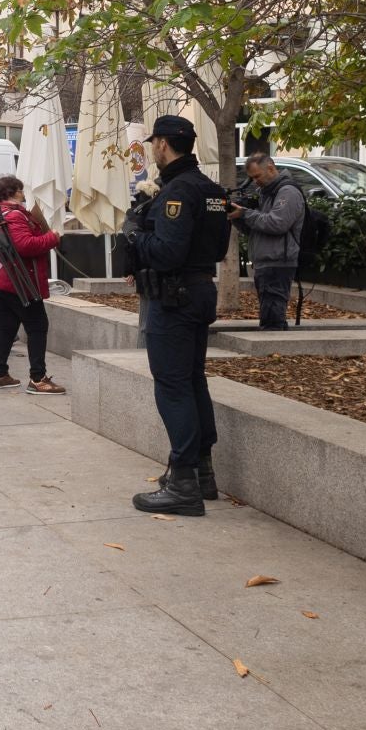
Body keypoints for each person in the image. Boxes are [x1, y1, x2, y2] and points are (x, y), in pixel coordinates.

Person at [126, 115, 232, 516]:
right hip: (200, 289)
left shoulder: (177, 192)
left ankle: (184, 481)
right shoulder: (211, 190)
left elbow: (167, 252)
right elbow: (219, 249)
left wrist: (137, 237)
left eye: (155, 142)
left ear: (164, 144)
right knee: (191, 380)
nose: (153, 148)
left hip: (175, 296)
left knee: (173, 386)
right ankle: (203, 474)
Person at [0, 177, 67, 395]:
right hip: (21, 282)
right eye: (21, 189)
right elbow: (24, 246)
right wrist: (52, 237)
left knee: (6, 327)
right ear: (14, 192)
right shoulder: (15, 215)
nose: (23, 193)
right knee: (37, 326)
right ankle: (38, 378)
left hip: (3, 280)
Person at [231, 153, 305, 330]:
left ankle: (276, 352)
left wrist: (246, 214)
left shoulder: (288, 191)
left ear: (270, 168)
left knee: (273, 321)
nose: (255, 182)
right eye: (251, 178)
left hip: (278, 263)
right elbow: (256, 229)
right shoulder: (267, 193)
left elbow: (277, 223)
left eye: (257, 176)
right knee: (269, 317)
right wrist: (236, 218)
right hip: (267, 262)